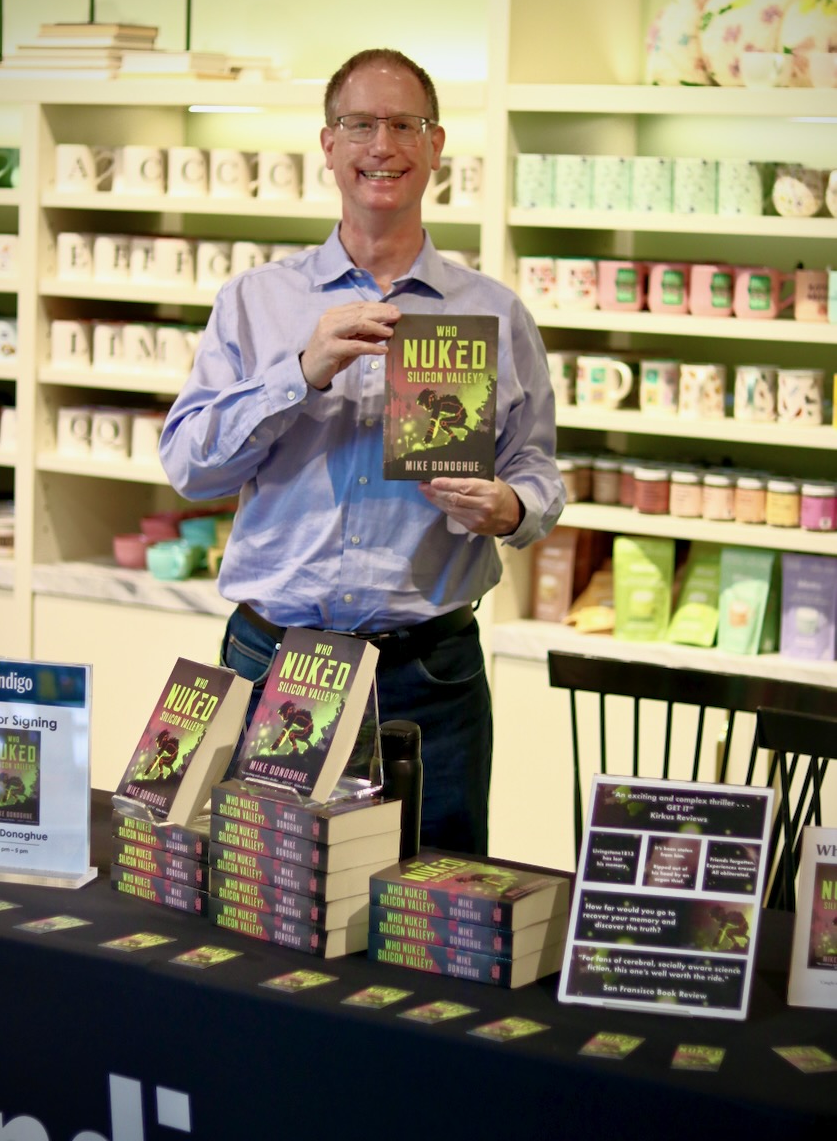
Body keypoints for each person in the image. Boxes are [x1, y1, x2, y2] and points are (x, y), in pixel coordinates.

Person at [159, 47, 564, 855]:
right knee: (265, 891)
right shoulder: (256, 302)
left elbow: (537, 468)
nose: (383, 145)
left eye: (405, 125)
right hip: (272, 661)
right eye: (360, 124)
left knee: (437, 900)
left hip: (429, 674)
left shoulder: (494, 312)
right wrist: (300, 371)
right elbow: (190, 468)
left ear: (436, 145)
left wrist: (510, 505)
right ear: (328, 144)